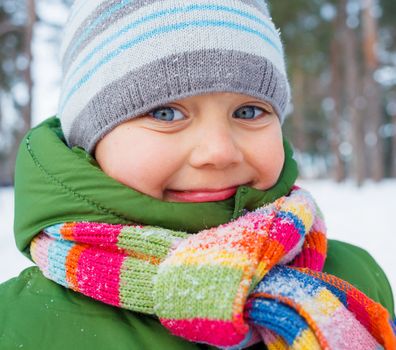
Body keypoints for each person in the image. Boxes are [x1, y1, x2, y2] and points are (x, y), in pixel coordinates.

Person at [1, 1, 395, 349]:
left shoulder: (356, 277)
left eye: (248, 112)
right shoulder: (19, 324)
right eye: (165, 113)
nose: (219, 153)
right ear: (89, 140)